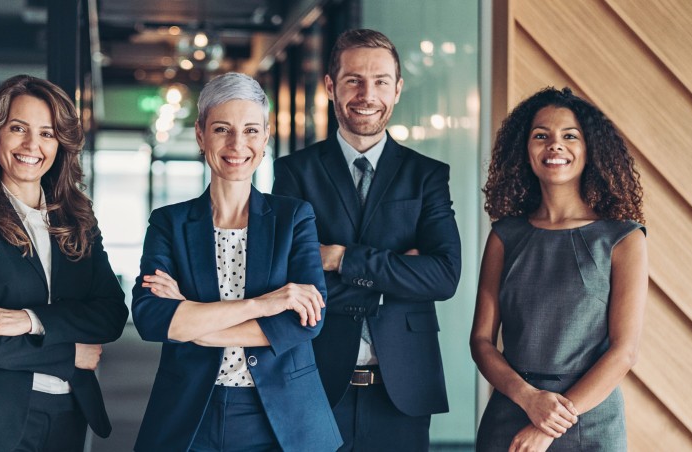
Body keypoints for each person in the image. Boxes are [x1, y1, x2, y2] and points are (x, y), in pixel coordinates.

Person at [272, 29, 462, 450]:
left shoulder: (427, 175)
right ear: (330, 87)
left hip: (405, 389)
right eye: (353, 80)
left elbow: (444, 277)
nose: (367, 93)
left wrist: (340, 258)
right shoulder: (294, 173)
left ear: (397, 89)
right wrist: (398, 274)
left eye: (380, 81)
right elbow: (288, 278)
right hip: (316, 380)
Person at [133, 72, 341, 452]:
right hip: (191, 414)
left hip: (281, 418)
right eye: (222, 129)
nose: (236, 144)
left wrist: (190, 320)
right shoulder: (169, 223)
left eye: (250, 130)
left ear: (264, 137)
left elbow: (306, 322)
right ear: (200, 135)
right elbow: (151, 318)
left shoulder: (294, 218)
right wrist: (263, 305)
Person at [0, 74, 128, 452]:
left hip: (69, 415)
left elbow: (110, 314)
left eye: (46, 133)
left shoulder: (78, 218)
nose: (32, 145)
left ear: (60, 143)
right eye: (18, 128)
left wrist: (25, 319)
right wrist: (71, 353)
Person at [470, 87, 647, 451]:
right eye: (541, 136)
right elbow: (481, 341)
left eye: (570, 136)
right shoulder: (505, 235)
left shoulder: (623, 239)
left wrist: (548, 426)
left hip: (590, 421)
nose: (555, 145)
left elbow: (624, 351)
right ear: (526, 150)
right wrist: (528, 399)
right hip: (511, 412)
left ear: (590, 150)